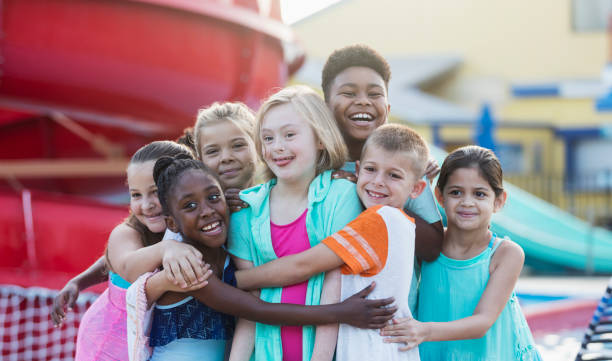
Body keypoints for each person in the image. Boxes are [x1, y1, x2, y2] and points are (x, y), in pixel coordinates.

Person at [127, 156, 396, 361]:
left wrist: (338, 175)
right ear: (172, 223)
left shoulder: (228, 250)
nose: (208, 211)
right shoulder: (186, 269)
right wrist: (340, 312)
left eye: (213, 197)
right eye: (190, 206)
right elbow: (258, 310)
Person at [235, 124, 431, 360]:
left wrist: (232, 280)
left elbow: (303, 265)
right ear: (357, 170)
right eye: (371, 169)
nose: (378, 181)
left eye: (394, 175)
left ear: (417, 188)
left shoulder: (378, 220)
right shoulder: (404, 224)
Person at [227, 85, 363, 361]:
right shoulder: (246, 211)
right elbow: (251, 304)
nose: (277, 147)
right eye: (268, 138)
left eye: (290, 135)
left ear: (320, 139)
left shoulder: (341, 196)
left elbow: (334, 281)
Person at [381, 145, 542, 361]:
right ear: (439, 196)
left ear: (499, 200)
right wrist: (422, 181)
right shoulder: (427, 246)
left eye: (479, 194)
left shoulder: (505, 254)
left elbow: (482, 322)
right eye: (456, 192)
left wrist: (423, 330)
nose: (467, 202)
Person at [321, 44, 443, 315]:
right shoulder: (315, 165)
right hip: (324, 315)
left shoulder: (406, 166)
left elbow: (433, 245)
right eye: (349, 93)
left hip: (389, 321)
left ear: (386, 108)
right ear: (327, 105)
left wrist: (378, 201)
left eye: (374, 94)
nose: (363, 101)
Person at [73, 141, 210, 361]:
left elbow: (106, 261)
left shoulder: (179, 231)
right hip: (106, 345)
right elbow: (127, 266)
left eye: (154, 192)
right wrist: (166, 249)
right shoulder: (126, 233)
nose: (145, 205)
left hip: (144, 345)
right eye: (136, 195)